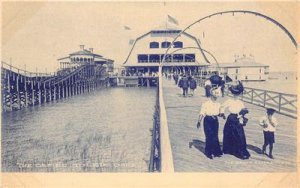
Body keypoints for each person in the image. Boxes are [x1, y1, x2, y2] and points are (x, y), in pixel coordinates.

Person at [220, 81, 250, 159]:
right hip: (231, 118)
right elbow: (222, 106)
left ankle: (239, 151)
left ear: (239, 94)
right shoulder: (229, 101)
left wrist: (243, 114)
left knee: (239, 135)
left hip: (238, 118)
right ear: (233, 93)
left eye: (237, 94)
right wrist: (222, 113)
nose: (236, 95)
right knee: (228, 133)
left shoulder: (240, 102)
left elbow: (243, 110)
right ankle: (228, 149)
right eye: (235, 93)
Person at [197, 88, 223, 159]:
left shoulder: (218, 104)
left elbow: (219, 114)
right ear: (211, 94)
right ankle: (209, 152)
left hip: (215, 120)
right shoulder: (206, 103)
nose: (217, 95)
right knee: (209, 136)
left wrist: (222, 115)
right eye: (215, 93)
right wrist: (199, 121)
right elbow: (202, 113)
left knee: (215, 135)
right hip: (207, 120)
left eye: (218, 93)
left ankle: (216, 151)